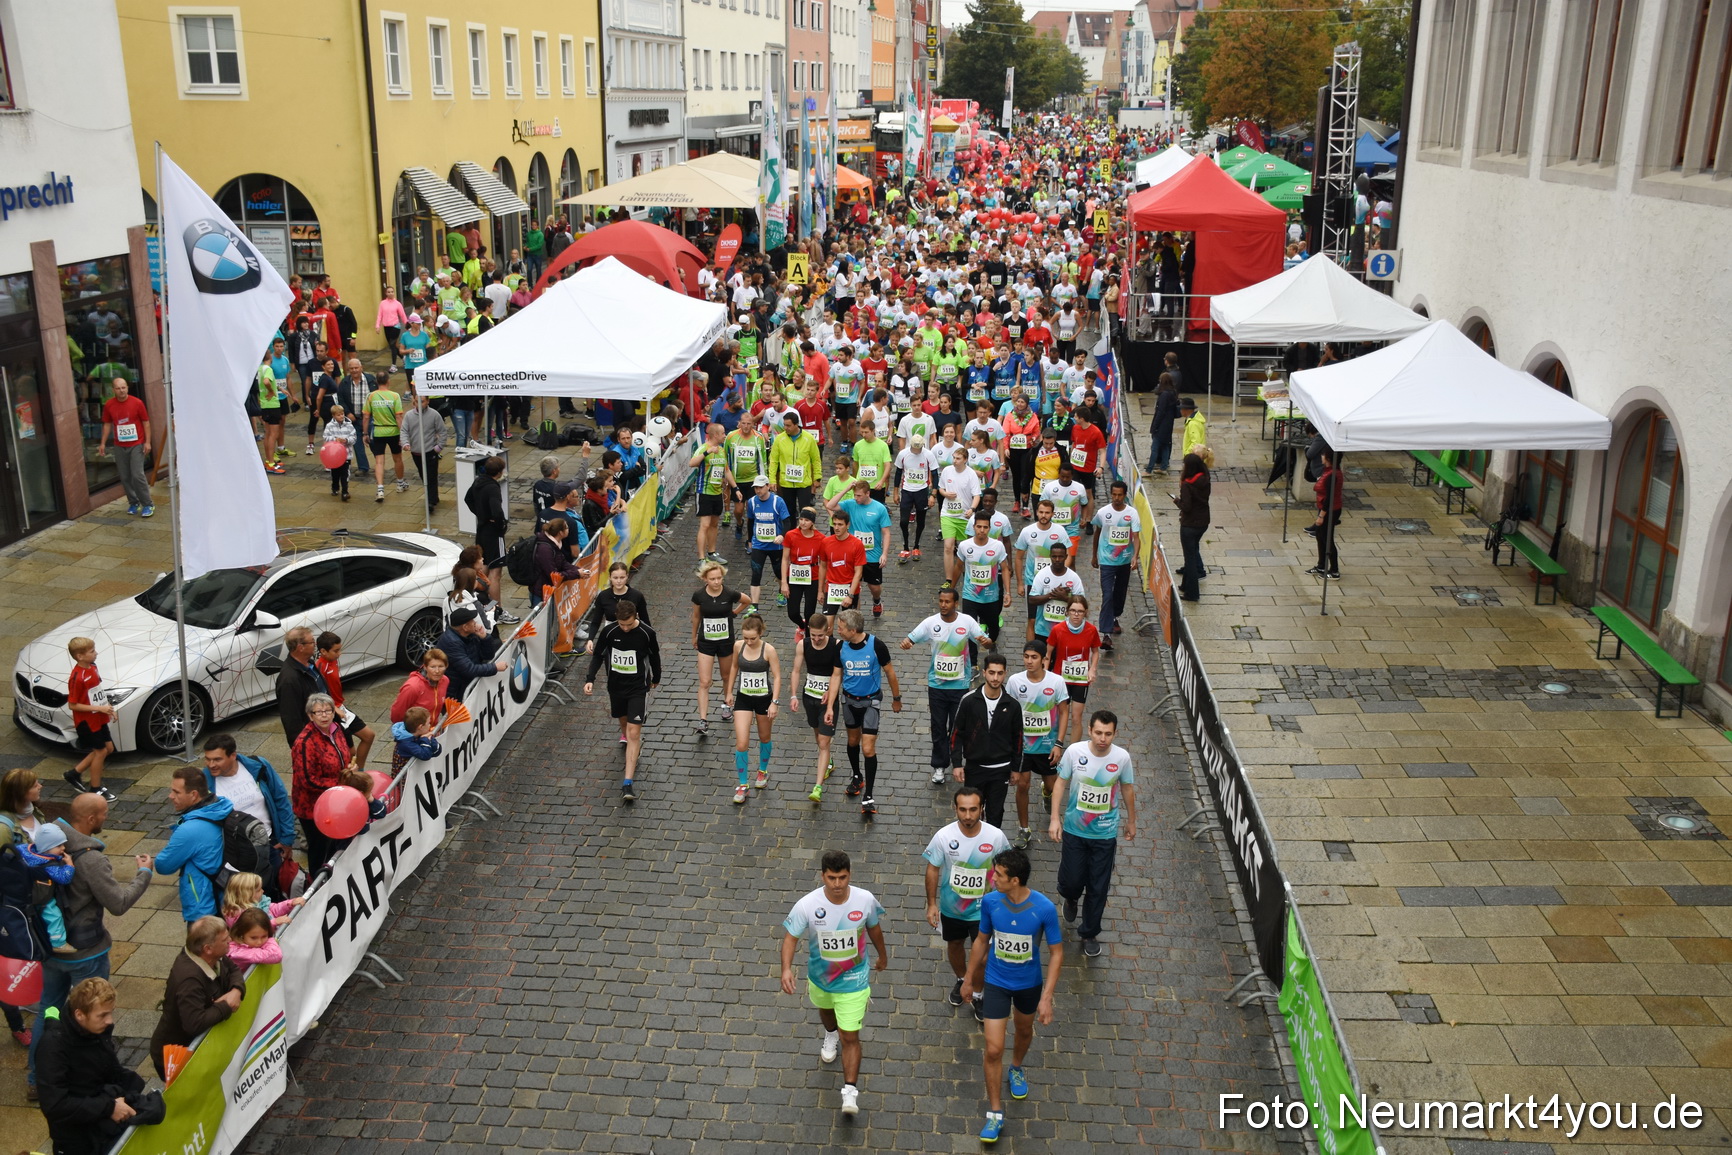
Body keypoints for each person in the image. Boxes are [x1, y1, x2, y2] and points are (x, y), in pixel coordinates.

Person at [24, 794, 153, 1098]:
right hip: (86, 954)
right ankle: (91, 1077)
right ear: (91, 819)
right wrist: (144, 873)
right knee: (93, 1014)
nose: (106, 818)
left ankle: (35, 1079)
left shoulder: (44, 842)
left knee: (49, 1009)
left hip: (50, 950)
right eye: (104, 814)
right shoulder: (92, 859)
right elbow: (118, 903)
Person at [960, 847, 1064, 1143]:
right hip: (996, 982)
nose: (992, 878)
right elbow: (982, 940)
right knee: (993, 1049)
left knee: (1023, 1031)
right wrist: (969, 979)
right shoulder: (990, 902)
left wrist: (1046, 997)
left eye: (998, 875)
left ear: (1015, 880)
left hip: (1028, 985)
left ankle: (1016, 1067)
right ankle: (994, 1113)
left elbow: (1057, 953)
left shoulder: (1043, 909)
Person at [778, 850, 888, 1120]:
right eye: (832, 878)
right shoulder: (807, 905)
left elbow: (874, 928)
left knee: (850, 1035)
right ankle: (830, 1034)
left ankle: (850, 1091)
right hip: (821, 980)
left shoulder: (865, 900)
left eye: (842, 878)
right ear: (822, 876)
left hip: (854, 981)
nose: (837, 884)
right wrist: (786, 969)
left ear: (850, 875)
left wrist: (883, 955)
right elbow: (791, 937)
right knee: (827, 1013)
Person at [1048, 710, 1137, 959]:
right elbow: (1060, 783)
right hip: (1074, 830)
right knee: (1072, 881)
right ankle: (1070, 898)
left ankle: (1089, 932)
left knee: (1098, 886)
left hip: (1105, 833)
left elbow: (1127, 788)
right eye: (1098, 733)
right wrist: (1055, 818)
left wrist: (1131, 821)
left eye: (1108, 734)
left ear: (1115, 734)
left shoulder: (1121, 758)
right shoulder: (1075, 752)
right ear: (1089, 730)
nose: (1102, 739)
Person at [36, 977, 151, 1155]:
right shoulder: (53, 1047)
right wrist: (109, 1107)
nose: (110, 1021)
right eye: (102, 1015)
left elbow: (109, 1069)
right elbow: (55, 1105)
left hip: (101, 1127)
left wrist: (131, 1090)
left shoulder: (97, 1030)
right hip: (77, 1142)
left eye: (111, 1012)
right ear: (79, 1015)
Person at [902, 585, 991, 786]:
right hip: (937, 686)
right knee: (938, 727)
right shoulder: (930, 623)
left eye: (947, 602)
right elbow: (911, 638)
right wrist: (907, 643)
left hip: (960, 686)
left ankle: (958, 762)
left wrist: (986, 642)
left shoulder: (966, 622)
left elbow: (984, 640)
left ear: (956, 603)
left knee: (958, 727)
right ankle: (939, 765)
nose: (943, 605)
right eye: (941, 601)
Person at [583, 599, 662, 802]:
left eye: (628, 624)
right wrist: (590, 679)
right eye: (621, 624)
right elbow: (598, 655)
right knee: (624, 722)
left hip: (638, 688)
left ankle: (627, 782)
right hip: (616, 687)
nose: (625, 628)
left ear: (636, 616)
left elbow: (654, 655)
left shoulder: (647, 633)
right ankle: (629, 742)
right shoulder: (609, 632)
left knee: (634, 733)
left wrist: (656, 677)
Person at [148, 916, 245, 1079]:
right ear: (208, 949)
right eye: (224, 939)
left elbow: (234, 970)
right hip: (178, 1057)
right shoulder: (189, 980)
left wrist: (236, 990)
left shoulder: (213, 956)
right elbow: (195, 1023)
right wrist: (226, 1005)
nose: (230, 940)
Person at [200, 734, 295, 894]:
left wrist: (287, 838)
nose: (211, 765)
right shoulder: (205, 782)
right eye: (208, 759)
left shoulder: (258, 766)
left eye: (217, 759)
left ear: (233, 755)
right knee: (244, 897)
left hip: (269, 845)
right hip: (235, 855)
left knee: (274, 890)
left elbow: (280, 800)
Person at [834, 608, 902, 817]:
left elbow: (890, 673)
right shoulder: (840, 647)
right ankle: (857, 776)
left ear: (853, 630)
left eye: (841, 628)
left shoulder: (876, 645)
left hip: (871, 702)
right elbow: (836, 675)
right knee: (853, 741)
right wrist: (830, 702)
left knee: (868, 748)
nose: (838, 631)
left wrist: (896, 698)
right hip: (849, 702)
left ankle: (869, 795)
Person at [1005, 643, 1069, 850]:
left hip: (1047, 746)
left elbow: (1064, 712)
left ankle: (1047, 794)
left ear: (1043, 659)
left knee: (1051, 785)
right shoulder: (1015, 681)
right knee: (1022, 785)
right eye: (1026, 656)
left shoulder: (1056, 682)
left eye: (1034, 657)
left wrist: (1059, 743)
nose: (1029, 661)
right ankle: (1024, 829)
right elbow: (1008, 711)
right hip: (1023, 746)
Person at [949, 653, 1023, 831]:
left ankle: (992, 846)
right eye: (991, 673)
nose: (995, 678)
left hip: (1001, 769)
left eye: (999, 673)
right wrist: (957, 764)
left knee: (995, 814)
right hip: (975, 768)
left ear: (1005, 674)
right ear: (984, 673)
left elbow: (1018, 739)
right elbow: (956, 734)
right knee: (972, 814)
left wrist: (1015, 768)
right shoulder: (969, 701)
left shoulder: (1013, 705)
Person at [152, 765, 233, 922]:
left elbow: (163, 865)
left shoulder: (189, 830)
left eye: (176, 792)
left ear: (194, 794)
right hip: (225, 898)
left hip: (204, 909)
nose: (170, 796)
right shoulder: (222, 808)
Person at [290, 694, 352, 874]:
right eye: (319, 712)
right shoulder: (305, 742)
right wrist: (340, 784)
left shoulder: (336, 729)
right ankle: (316, 881)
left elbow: (344, 755)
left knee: (334, 841)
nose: (324, 715)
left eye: (328, 711)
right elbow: (308, 779)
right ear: (310, 716)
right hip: (313, 806)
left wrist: (349, 767)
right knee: (319, 847)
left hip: (334, 799)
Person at [690, 559, 752, 738]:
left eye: (719, 578)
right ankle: (703, 719)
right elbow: (696, 617)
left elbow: (747, 601)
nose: (716, 582)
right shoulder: (699, 596)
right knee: (704, 681)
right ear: (705, 579)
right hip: (706, 642)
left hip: (725, 642)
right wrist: (694, 636)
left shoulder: (729, 593)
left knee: (726, 676)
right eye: (712, 579)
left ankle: (727, 704)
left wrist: (734, 613)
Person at [724, 613, 781, 804]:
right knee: (742, 743)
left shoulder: (769, 650)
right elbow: (734, 667)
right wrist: (729, 692)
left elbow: (777, 676)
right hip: (744, 698)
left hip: (764, 699)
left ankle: (762, 771)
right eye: (746, 638)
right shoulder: (738, 646)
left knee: (764, 737)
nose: (748, 642)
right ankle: (743, 784)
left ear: (761, 633)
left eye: (753, 638)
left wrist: (774, 702)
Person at [788, 611, 841, 803]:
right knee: (819, 737)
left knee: (824, 743)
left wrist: (831, 691)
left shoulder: (836, 645)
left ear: (828, 630)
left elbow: (838, 674)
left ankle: (817, 787)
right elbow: (796, 670)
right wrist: (793, 695)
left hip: (828, 700)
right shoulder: (803, 645)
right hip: (809, 697)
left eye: (821, 635)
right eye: (813, 635)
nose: (817, 639)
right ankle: (828, 762)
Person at [63, 636, 116, 800]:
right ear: (80, 656)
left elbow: (97, 691)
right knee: (100, 751)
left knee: (109, 749)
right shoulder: (77, 678)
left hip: (99, 717)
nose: (96, 653)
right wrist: (100, 708)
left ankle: (74, 773)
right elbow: (73, 704)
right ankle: (95, 787)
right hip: (87, 721)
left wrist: (108, 708)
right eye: (92, 651)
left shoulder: (93, 667)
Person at [1090, 480, 1141, 647]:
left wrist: (1135, 557)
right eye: (1114, 494)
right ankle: (1106, 633)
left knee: (1120, 592)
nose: (1116, 498)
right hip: (1107, 561)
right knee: (1107, 595)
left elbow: (1136, 537)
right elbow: (1097, 533)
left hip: (1124, 560)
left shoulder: (1132, 513)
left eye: (1120, 495)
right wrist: (1094, 556)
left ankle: (1115, 616)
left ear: (1125, 495)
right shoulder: (1103, 513)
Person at [315, 632, 376, 767]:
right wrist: (333, 708)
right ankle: (351, 776)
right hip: (333, 712)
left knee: (369, 736)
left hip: (341, 707)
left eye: (340, 650)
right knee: (350, 753)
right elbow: (318, 695)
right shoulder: (320, 668)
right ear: (323, 651)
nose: (339, 654)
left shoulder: (333, 660)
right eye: (336, 651)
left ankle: (359, 771)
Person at [463, 456, 512, 616]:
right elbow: (497, 511)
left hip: (482, 530)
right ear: (499, 472)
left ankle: (483, 604)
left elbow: (468, 499)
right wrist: (501, 525)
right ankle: (497, 610)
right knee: (495, 573)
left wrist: (481, 515)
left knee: (482, 567)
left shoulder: (479, 481)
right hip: (493, 533)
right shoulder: (493, 488)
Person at [96, 377, 152, 516]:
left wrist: (147, 442)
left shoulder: (137, 403)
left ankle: (148, 504)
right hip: (120, 445)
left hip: (136, 443)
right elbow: (107, 424)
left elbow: (146, 422)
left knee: (137, 475)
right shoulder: (109, 405)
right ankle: (133, 502)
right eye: (118, 388)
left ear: (127, 387)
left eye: (123, 387)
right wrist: (102, 443)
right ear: (113, 390)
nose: (121, 391)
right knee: (125, 476)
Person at [956, 512, 1009, 647]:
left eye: (985, 527)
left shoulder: (997, 546)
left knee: (994, 628)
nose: (982, 530)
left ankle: (992, 646)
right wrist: (951, 587)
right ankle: (973, 658)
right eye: (979, 526)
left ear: (989, 528)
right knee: (969, 630)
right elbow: (958, 567)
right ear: (973, 527)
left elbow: (1004, 569)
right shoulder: (964, 545)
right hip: (970, 595)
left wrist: (1008, 592)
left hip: (991, 596)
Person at [434, 608, 509, 702]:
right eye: (472, 621)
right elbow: (469, 669)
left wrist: (484, 637)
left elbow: (488, 656)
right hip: (456, 692)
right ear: (465, 627)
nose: (475, 622)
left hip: (465, 685)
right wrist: (495, 667)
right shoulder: (452, 643)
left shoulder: (470, 634)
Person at [274, 626, 329, 746]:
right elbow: (292, 720)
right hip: (313, 737)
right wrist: (305, 746)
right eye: (312, 642)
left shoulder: (309, 663)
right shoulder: (289, 680)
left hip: (326, 723)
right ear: (300, 647)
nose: (315, 645)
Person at [769, 411, 821, 528]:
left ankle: (805, 533)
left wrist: (817, 478)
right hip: (786, 483)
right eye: (784, 425)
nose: (785, 428)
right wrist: (772, 479)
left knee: (805, 512)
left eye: (788, 425)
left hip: (804, 483)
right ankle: (791, 534)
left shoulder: (809, 439)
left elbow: (816, 459)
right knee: (789, 512)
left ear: (796, 425)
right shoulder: (779, 439)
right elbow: (773, 461)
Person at [1027, 541, 1085, 644]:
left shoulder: (1073, 577)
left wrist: (1065, 598)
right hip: (1043, 630)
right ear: (1050, 556)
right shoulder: (1042, 575)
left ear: (1066, 557)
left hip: (1066, 630)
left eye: (1060, 557)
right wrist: (1051, 595)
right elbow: (1032, 599)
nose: (1057, 560)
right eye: (1054, 557)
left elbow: (1082, 603)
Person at [743, 476, 789, 606]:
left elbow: (787, 522)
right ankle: (754, 606)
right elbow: (751, 521)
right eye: (756, 488)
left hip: (775, 546)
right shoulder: (752, 502)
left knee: (779, 573)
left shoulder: (778, 502)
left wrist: (782, 536)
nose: (758, 490)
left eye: (761, 487)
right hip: (759, 545)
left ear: (768, 486)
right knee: (756, 574)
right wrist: (750, 540)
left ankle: (781, 592)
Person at [691, 421, 733, 562]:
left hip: (717, 492)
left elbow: (726, 470)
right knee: (705, 525)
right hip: (704, 491)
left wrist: (735, 487)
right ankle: (701, 558)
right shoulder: (703, 448)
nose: (725, 436)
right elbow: (692, 463)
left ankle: (712, 552)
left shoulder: (721, 450)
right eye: (723, 433)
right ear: (715, 435)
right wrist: (707, 452)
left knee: (714, 524)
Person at [893, 434, 938, 562]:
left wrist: (933, 495)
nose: (917, 451)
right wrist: (895, 493)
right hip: (907, 490)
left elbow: (935, 474)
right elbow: (898, 473)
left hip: (922, 491)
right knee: (903, 521)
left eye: (919, 448)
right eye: (915, 448)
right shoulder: (903, 454)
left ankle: (916, 546)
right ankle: (905, 547)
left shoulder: (928, 455)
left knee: (921, 520)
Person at [1176, 451, 1211, 602]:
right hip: (1203, 522)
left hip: (1189, 524)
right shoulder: (1205, 479)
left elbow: (1186, 506)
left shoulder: (1187, 485)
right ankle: (1185, 585)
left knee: (1189, 559)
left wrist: (1177, 501)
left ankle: (1192, 593)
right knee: (1192, 551)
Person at [400, 394, 446, 509]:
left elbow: (443, 432)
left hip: (430, 451)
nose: (419, 404)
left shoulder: (434, 415)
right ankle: (433, 497)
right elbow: (404, 430)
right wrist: (405, 443)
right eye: (417, 401)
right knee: (423, 475)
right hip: (416, 452)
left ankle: (430, 501)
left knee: (431, 475)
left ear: (428, 401)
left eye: (422, 401)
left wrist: (438, 447)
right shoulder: (409, 416)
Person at [367, 373, 408, 500]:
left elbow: (366, 416)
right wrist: (403, 434)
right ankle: (400, 483)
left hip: (378, 431)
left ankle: (380, 489)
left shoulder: (371, 396)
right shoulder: (395, 396)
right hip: (394, 432)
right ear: (388, 381)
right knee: (397, 458)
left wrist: (365, 433)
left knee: (379, 461)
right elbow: (398, 416)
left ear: (376, 382)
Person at [820, 506, 867, 616]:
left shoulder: (857, 544)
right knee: (827, 623)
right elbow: (822, 566)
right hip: (831, 588)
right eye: (834, 524)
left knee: (849, 624)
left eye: (840, 525)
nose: (836, 528)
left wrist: (850, 595)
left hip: (850, 589)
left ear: (848, 525)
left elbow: (858, 572)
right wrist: (820, 591)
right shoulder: (825, 542)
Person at [1310, 447, 1344, 579]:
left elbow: (1330, 498)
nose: (1321, 456)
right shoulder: (1327, 471)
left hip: (1330, 510)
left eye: (1323, 454)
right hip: (1325, 508)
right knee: (1320, 536)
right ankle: (1321, 565)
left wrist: (1321, 516)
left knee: (1327, 539)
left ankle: (1334, 570)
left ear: (1328, 458)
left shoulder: (1332, 475)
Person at [1147, 373, 1179, 474]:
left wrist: (1155, 426)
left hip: (1162, 425)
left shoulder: (1164, 395)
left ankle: (1149, 470)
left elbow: (1160, 412)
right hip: (1168, 424)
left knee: (1155, 447)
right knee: (1165, 446)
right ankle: (1163, 467)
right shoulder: (1173, 393)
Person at [1179, 396, 1206, 461]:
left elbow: (1195, 443)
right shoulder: (1194, 421)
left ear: (1186, 410)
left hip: (1193, 459)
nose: (1180, 410)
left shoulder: (1193, 423)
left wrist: (1187, 454)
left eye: (1181, 408)